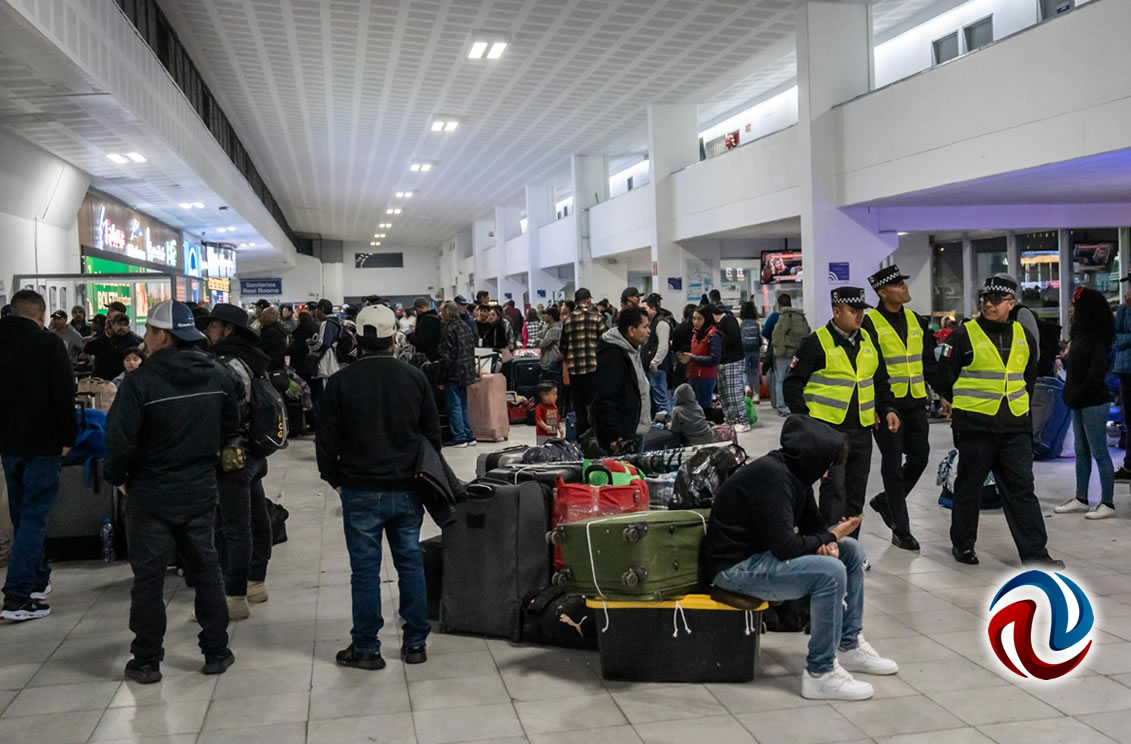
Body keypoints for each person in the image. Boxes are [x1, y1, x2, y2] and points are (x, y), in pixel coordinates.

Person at [702, 415, 899, 702]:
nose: (828, 474)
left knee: (851, 552)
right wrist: (830, 538)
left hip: (760, 556)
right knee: (829, 573)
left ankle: (849, 644)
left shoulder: (796, 474)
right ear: (815, 457)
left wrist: (829, 540)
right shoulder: (773, 477)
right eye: (828, 465)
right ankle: (820, 673)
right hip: (734, 568)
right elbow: (786, 546)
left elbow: (814, 527)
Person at [104, 300, 239, 683]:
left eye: (148, 330)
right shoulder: (217, 375)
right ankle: (216, 650)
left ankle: (146, 659)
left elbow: (119, 440)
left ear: (163, 335)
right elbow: (232, 427)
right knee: (207, 570)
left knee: (148, 579)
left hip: (150, 494)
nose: (144, 337)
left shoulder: (139, 382)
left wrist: (119, 477)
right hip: (199, 490)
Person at [316, 304, 446, 670]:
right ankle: (416, 643)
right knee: (410, 565)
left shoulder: (341, 382)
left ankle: (366, 648)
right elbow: (432, 437)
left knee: (365, 571)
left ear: (357, 339)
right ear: (394, 338)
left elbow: (325, 441)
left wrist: (336, 480)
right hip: (407, 489)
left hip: (359, 489)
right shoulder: (414, 378)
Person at [936, 275, 1063, 567]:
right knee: (969, 488)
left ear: (1011, 303)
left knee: (1022, 490)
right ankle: (963, 545)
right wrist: (955, 403)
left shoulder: (1024, 336)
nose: (989, 304)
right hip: (975, 427)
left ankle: (1035, 553)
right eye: (985, 299)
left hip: (1014, 426)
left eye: (996, 300)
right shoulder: (964, 334)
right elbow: (945, 375)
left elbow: (1028, 377)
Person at [784, 287, 899, 535]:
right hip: (829, 433)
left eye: (862, 311)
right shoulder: (817, 343)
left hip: (862, 431)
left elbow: (879, 381)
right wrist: (805, 420)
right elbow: (792, 383)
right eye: (853, 310)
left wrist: (887, 408)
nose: (859, 316)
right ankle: (829, 542)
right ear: (836, 311)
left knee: (856, 493)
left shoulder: (868, 341)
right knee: (834, 490)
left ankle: (850, 546)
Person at [0, 290, 77, 622]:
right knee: (35, 515)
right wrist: (68, 437)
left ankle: (37, 579)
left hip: (8, 444)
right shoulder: (48, 344)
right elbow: (63, 393)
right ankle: (17, 596)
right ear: (41, 316)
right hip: (43, 442)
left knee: (22, 514)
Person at [197, 303, 275, 617]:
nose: (207, 331)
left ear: (226, 329)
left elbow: (219, 411)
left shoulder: (224, 364)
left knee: (235, 527)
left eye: (212, 325)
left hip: (231, 454)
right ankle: (256, 582)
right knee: (257, 516)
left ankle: (234, 597)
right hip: (254, 449)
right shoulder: (253, 359)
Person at [862, 265, 941, 552]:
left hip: (915, 401)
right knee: (892, 464)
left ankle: (886, 502)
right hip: (886, 405)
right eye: (897, 285)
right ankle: (901, 527)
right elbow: (871, 369)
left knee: (920, 457)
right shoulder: (870, 323)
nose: (904, 288)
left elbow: (928, 364)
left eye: (903, 283)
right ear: (882, 292)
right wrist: (880, 406)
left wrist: (945, 394)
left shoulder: (917, 321)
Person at [1054, 287, 1117, 519]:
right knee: (1081, 452)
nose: (1071, 310)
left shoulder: (1097, 339)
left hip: (1093, 402)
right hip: (1079, 400)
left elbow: (1095, 373)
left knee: (1099, 451)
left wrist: (1077, 393)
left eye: (1075, 305)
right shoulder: (1080, 337)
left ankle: (1107, 502)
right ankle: (1081, 498)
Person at [591, 306, 651, 454]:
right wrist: (613, 437)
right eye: (645, 327)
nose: (649, 331)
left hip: (634, 429)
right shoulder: (613, 356)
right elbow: (605, 398)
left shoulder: (632, 350)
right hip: (622, 436)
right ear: (631, 330)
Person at [560, 288, 608, 438]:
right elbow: (605, 340)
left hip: (575, 371)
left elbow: (563, 347)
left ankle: (582, 442)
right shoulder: (597, 318)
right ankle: (595, 439)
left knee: (579, 409)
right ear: (588, 300)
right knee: (595, 407)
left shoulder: (567, 320)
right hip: (594, 369)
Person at [437, 301, 478, 447]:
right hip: (466, 371)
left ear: (447, 312)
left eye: (442, 311)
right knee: (463, 405)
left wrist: (441, 378)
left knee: (454, 406)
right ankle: (469, 436)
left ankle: (460, 438)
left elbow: (446, 357)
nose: (440, 314)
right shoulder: (465, 326)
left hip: (453, 373)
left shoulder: (448, 329)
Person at [677, 305, 721, 414]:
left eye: (699, 319)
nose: (695, 322)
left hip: (706, 377)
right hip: (693, 375)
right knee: (693, 407)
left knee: (704, 408)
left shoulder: (713, 335)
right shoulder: (696, 334)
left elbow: (714, 359)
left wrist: (693, 358)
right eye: (694, 318)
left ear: (706, 319)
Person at [772, 294, 810, 416]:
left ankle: (782, 406)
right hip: (797, 353)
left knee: (780, 380)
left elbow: (776, 336)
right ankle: (793, 404)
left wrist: (776, 348)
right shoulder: (800, 316)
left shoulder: (783, 317)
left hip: (783, 353)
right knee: (794, 380)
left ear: (779, 304)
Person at [713, 303, 748, 431]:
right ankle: (730, 420)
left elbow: (733, 338)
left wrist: (718, 341)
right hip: (722, 362)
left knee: (734, 392)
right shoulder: (718, 325)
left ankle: (742, 421)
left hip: (733, 361)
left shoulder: (728, 320)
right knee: (724, 394)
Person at [307, 299, 342, 414]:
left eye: (317, 309)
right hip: (335, 364)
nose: (315, 312)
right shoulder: (337, 321)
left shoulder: (326, 323)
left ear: (321, 309)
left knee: (323, 398)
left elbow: (323, 343)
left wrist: (311, 345)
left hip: (326, 365)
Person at [641, 294, 674, 415]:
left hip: (658, 369)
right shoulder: (649, 323)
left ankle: (668, 424)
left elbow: (663, 346)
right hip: (648, 367)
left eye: (645, 309)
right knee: (655, 400)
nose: (642, 312)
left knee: (661, 400)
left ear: (653, 309)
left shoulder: (661, 324)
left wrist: (655, 362)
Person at [84, 313, 143, 380]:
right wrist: (105, 338)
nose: (122, 327)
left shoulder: (134, 342)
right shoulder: (105, 339)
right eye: (119, 324)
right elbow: (88, 349)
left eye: (125, 325)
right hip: (101, 380)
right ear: (112, 325)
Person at [1113, 271, 1131, 482]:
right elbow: (1115, 337)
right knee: (1128, 419)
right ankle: (1129, 464)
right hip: (1125, 370)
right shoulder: (1123, 309)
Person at [669, 303, 696, 390]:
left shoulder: (680, 328)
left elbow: (675, 347)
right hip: (697, 364)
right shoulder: (700, 329)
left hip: (682, 363)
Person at [739, 301, 762, 401]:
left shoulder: (741, 323)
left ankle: (747, 387)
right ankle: (756, 394)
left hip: (744, 349)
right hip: (755, 349)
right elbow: (760, 338)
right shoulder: (756, 324)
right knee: (755, 371)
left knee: (745, 371)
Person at [409, 297, 442, 361]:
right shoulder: (436, 317)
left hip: (428, 358)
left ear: (419, 308)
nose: (416, 312)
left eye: (416, 310)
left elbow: (422, 342)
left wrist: (410, 336)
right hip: (435, 356)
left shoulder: (427, 320)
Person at [258, 306, 289, 372]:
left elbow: (260, 351)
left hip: (270, 368)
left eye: (262, 316)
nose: (260, 319)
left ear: (266, 318)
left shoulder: (269, 333)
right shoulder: (280, 329)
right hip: (278, 367)